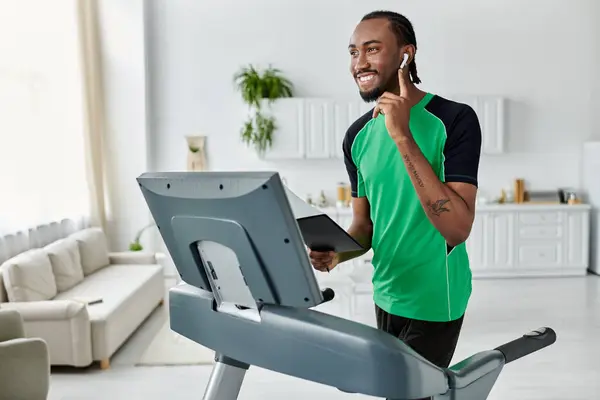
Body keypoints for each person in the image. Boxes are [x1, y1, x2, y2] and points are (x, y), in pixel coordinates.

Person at [309, 9, 482, 392]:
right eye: (353, 52)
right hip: (386, 292)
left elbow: (458, 226)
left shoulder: (453, 119)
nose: (360, 63)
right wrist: (338, 253)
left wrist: (402, 136)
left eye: (372, 49)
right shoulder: (357, 136)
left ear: (406, 55)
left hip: (437, 297)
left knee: (404, 393)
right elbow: (365, 227)